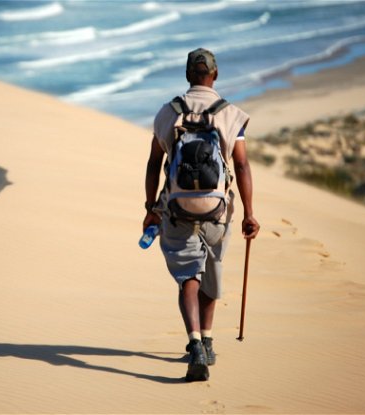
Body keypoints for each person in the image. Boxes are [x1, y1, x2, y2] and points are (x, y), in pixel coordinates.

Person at [142, 48, 260, 382]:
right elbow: (241, 164)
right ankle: (208, 340)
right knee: (211, 268)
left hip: (177, 207)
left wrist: (151, 208)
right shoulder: (229, 114)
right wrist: (250, 214)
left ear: (186, 75)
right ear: (216, 75)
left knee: (188, 277)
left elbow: (154, 163)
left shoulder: (168, 112)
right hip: (217, 209)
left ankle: (194, 342)